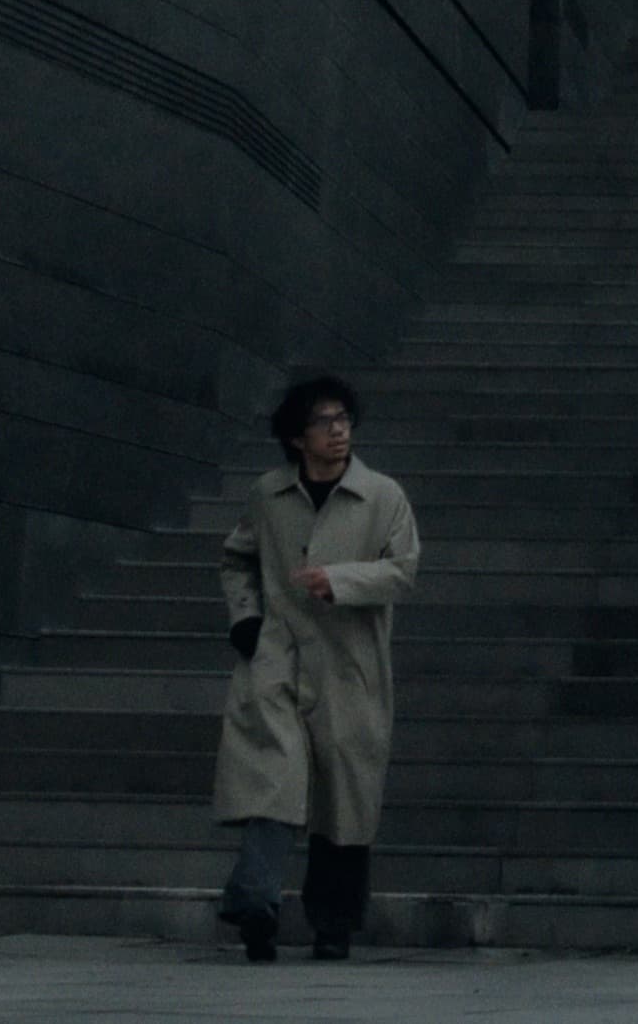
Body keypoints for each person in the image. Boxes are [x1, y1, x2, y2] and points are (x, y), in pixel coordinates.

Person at [212, 375, 420, 961]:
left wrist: (342, 581)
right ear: (297, 437)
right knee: (270, 780)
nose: (339, 431)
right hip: (277, 656)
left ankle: (334, 925)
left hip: (349, 663)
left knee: (342, 800)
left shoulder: (383, 497)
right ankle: (255, 902)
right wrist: (245, 619)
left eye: (344, 420)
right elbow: (237, 559)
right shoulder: (268, 494)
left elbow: (403, 569)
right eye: (325, 422)